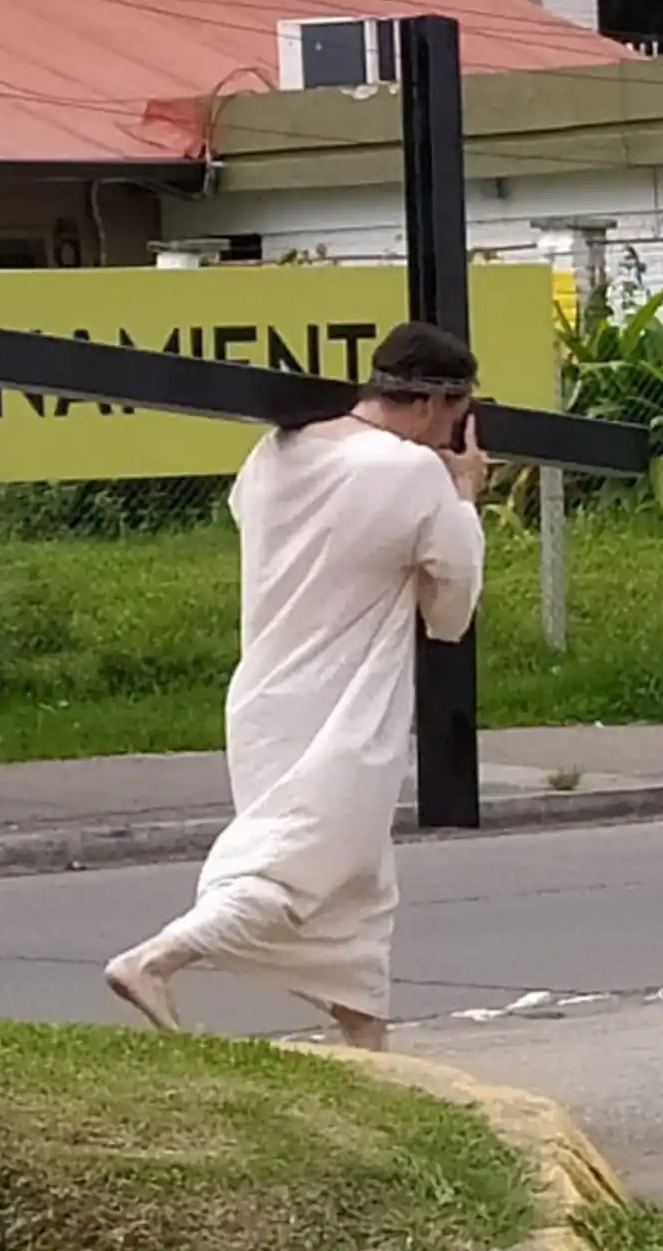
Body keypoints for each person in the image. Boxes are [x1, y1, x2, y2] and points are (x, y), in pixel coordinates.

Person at [103, 319, 488, 1051]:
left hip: (265, 695)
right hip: (342, 708)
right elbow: (451, 607)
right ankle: (154, 960)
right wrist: (462, 494)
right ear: (439, 405)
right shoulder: (407, 473)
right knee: (298, 867)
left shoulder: (275, 453)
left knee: (358, 885)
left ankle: (368, 1046)